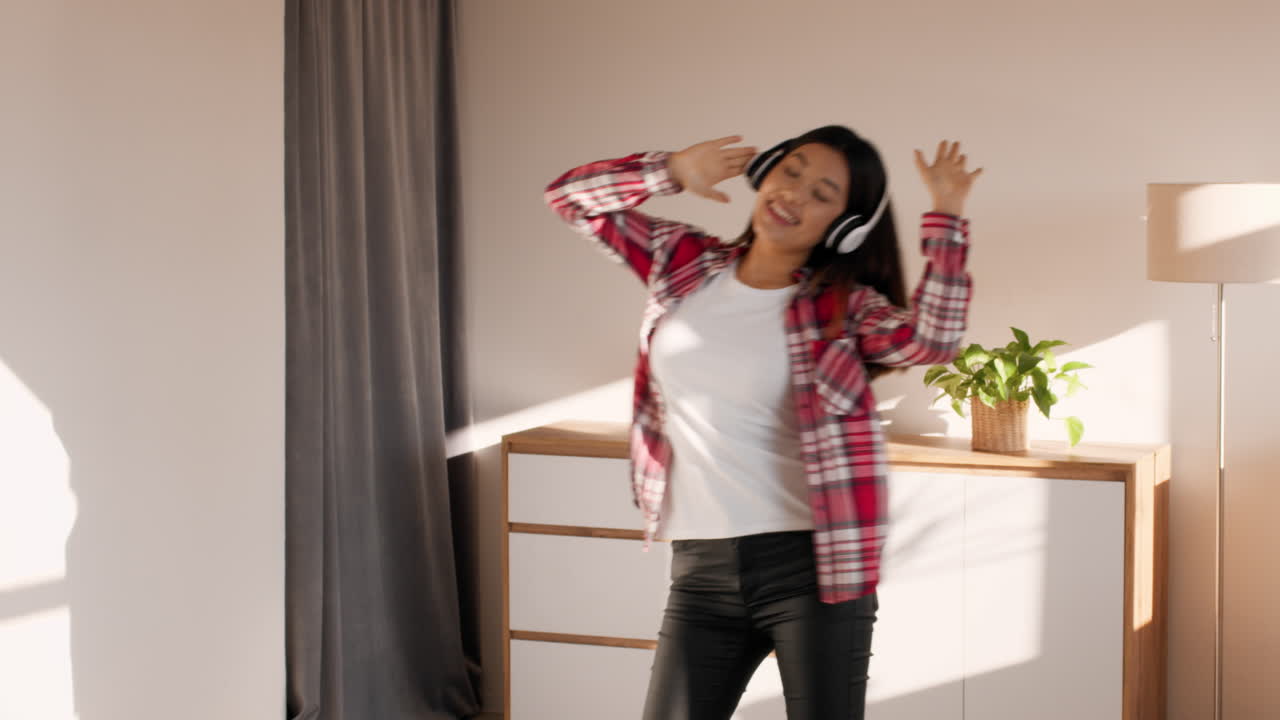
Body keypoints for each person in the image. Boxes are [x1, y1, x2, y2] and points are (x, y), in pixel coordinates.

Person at [544, 125, 981, 720]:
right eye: (791, 170)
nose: (794, 193)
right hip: (700, 568)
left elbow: (933, 340)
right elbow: (570, 199)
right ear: (766, 170)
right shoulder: (684, 262)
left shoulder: (843, 308)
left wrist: (947, 214)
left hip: (813, 570)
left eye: (822, 193)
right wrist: (672, 170)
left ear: (844, 227)